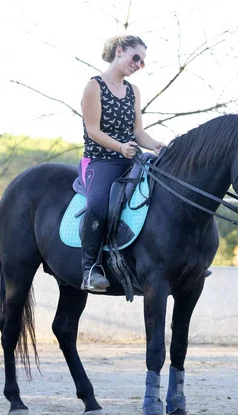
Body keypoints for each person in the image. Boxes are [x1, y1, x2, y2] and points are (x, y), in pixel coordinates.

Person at [80, 35, 165, 292]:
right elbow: (92, 130)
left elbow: (138, 132)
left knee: (162, 193)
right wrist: (119, 147)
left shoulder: (133, 91)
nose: (138, 64)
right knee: (97, 205)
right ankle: (90, 269)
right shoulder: (94, 86)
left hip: (131, 157)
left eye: (142, 62)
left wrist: (155, 145)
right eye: (136, 57)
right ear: (119, 51)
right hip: (100, 161)